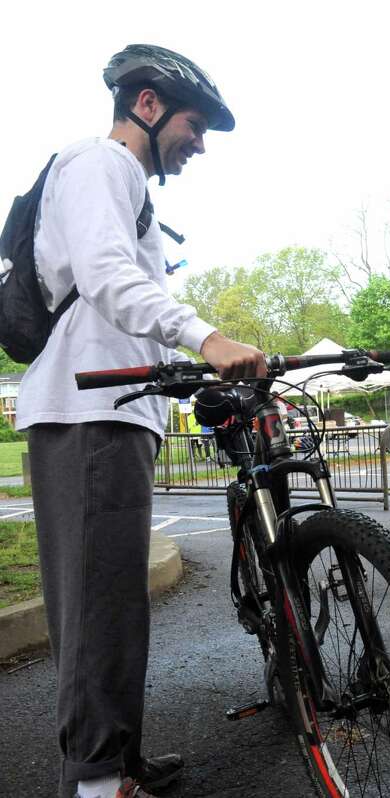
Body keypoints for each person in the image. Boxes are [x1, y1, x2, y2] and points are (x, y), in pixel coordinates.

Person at [16, 45, 267, 798]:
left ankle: (114, 758)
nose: (199, 144)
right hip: (87, 410)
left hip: (114, 408)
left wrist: (190, 372)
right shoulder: (101, 162)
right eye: (195, 125)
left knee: (114, 598)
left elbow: (124, 307)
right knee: (98, 603)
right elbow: (104, 275)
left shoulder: (128, 185)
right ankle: (95, 782)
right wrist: (207, 338)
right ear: (148, 106)